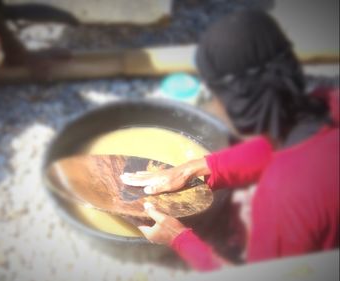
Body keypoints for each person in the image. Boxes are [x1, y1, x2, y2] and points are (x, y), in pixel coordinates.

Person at [120, 10, 339, 271]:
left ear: (238, 100)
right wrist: (198, 168)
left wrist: (178, 239)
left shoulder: (284, 198)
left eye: (216, 95)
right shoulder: (328, 101)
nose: (214, 105)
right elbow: (287, 151)